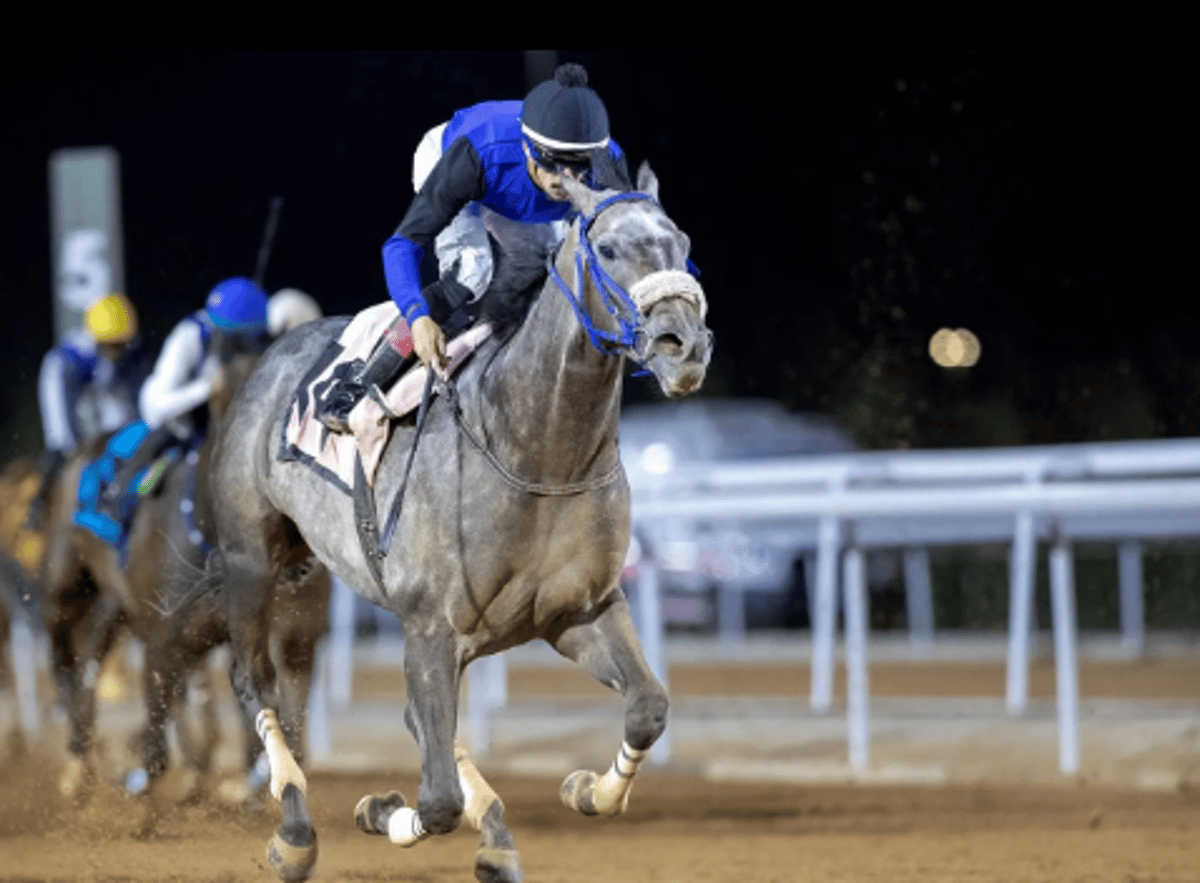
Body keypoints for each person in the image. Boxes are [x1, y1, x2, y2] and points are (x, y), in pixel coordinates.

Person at [315, 62, 630, 433]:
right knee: (472, 270)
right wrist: (417, 317)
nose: (570, 180)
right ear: (529, 149)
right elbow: (401, 245)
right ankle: (362, 380)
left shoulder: (608, 165)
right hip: (462, 161)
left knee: (553, 270)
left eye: (581, 166)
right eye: (557, 164)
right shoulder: (476, 155)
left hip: (510, 186)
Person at [95, 276, 269, 519]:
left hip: (223, 429)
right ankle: (118, 502)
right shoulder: (191, 336)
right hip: (175, 428)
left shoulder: (255, 339)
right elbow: (155, 405)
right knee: (141, 486)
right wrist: (206, 389)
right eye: (237, 340)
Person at [25, 292, 150, 528]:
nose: (118, 350)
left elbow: (133, 403)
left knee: (125, 430)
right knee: (61, 442)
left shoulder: (128, 350)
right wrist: (75, 446)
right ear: (96, 339)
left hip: (99, 384)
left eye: (121, 344)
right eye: (112, 345)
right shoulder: (69, 361)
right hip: (61, 383)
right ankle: (39, 506)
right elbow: (67, 411)